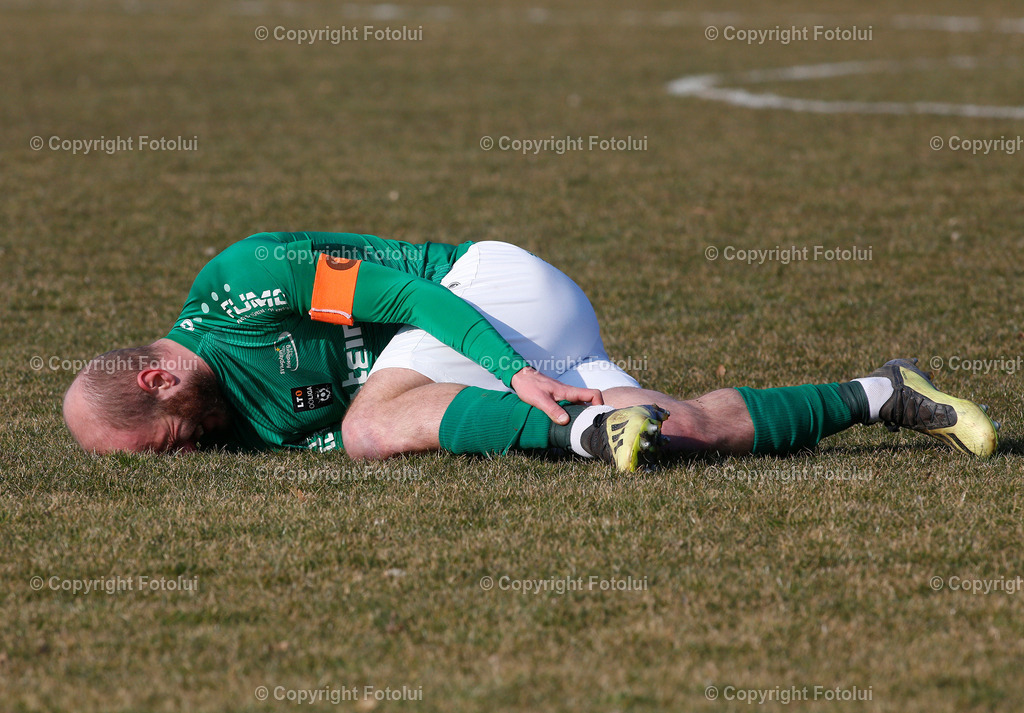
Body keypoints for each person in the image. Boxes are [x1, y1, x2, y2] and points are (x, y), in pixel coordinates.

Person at [63, 232, 1000, 471]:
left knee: (367, 427)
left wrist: (516, 378)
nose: (179, 459)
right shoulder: (238, 426)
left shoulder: (244, 282)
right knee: (687, 434)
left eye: (162, 443)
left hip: (488, 292)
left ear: (159, 379)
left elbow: (407, 297)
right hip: (488, 350)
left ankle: (582, 440)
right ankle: (883, 392)